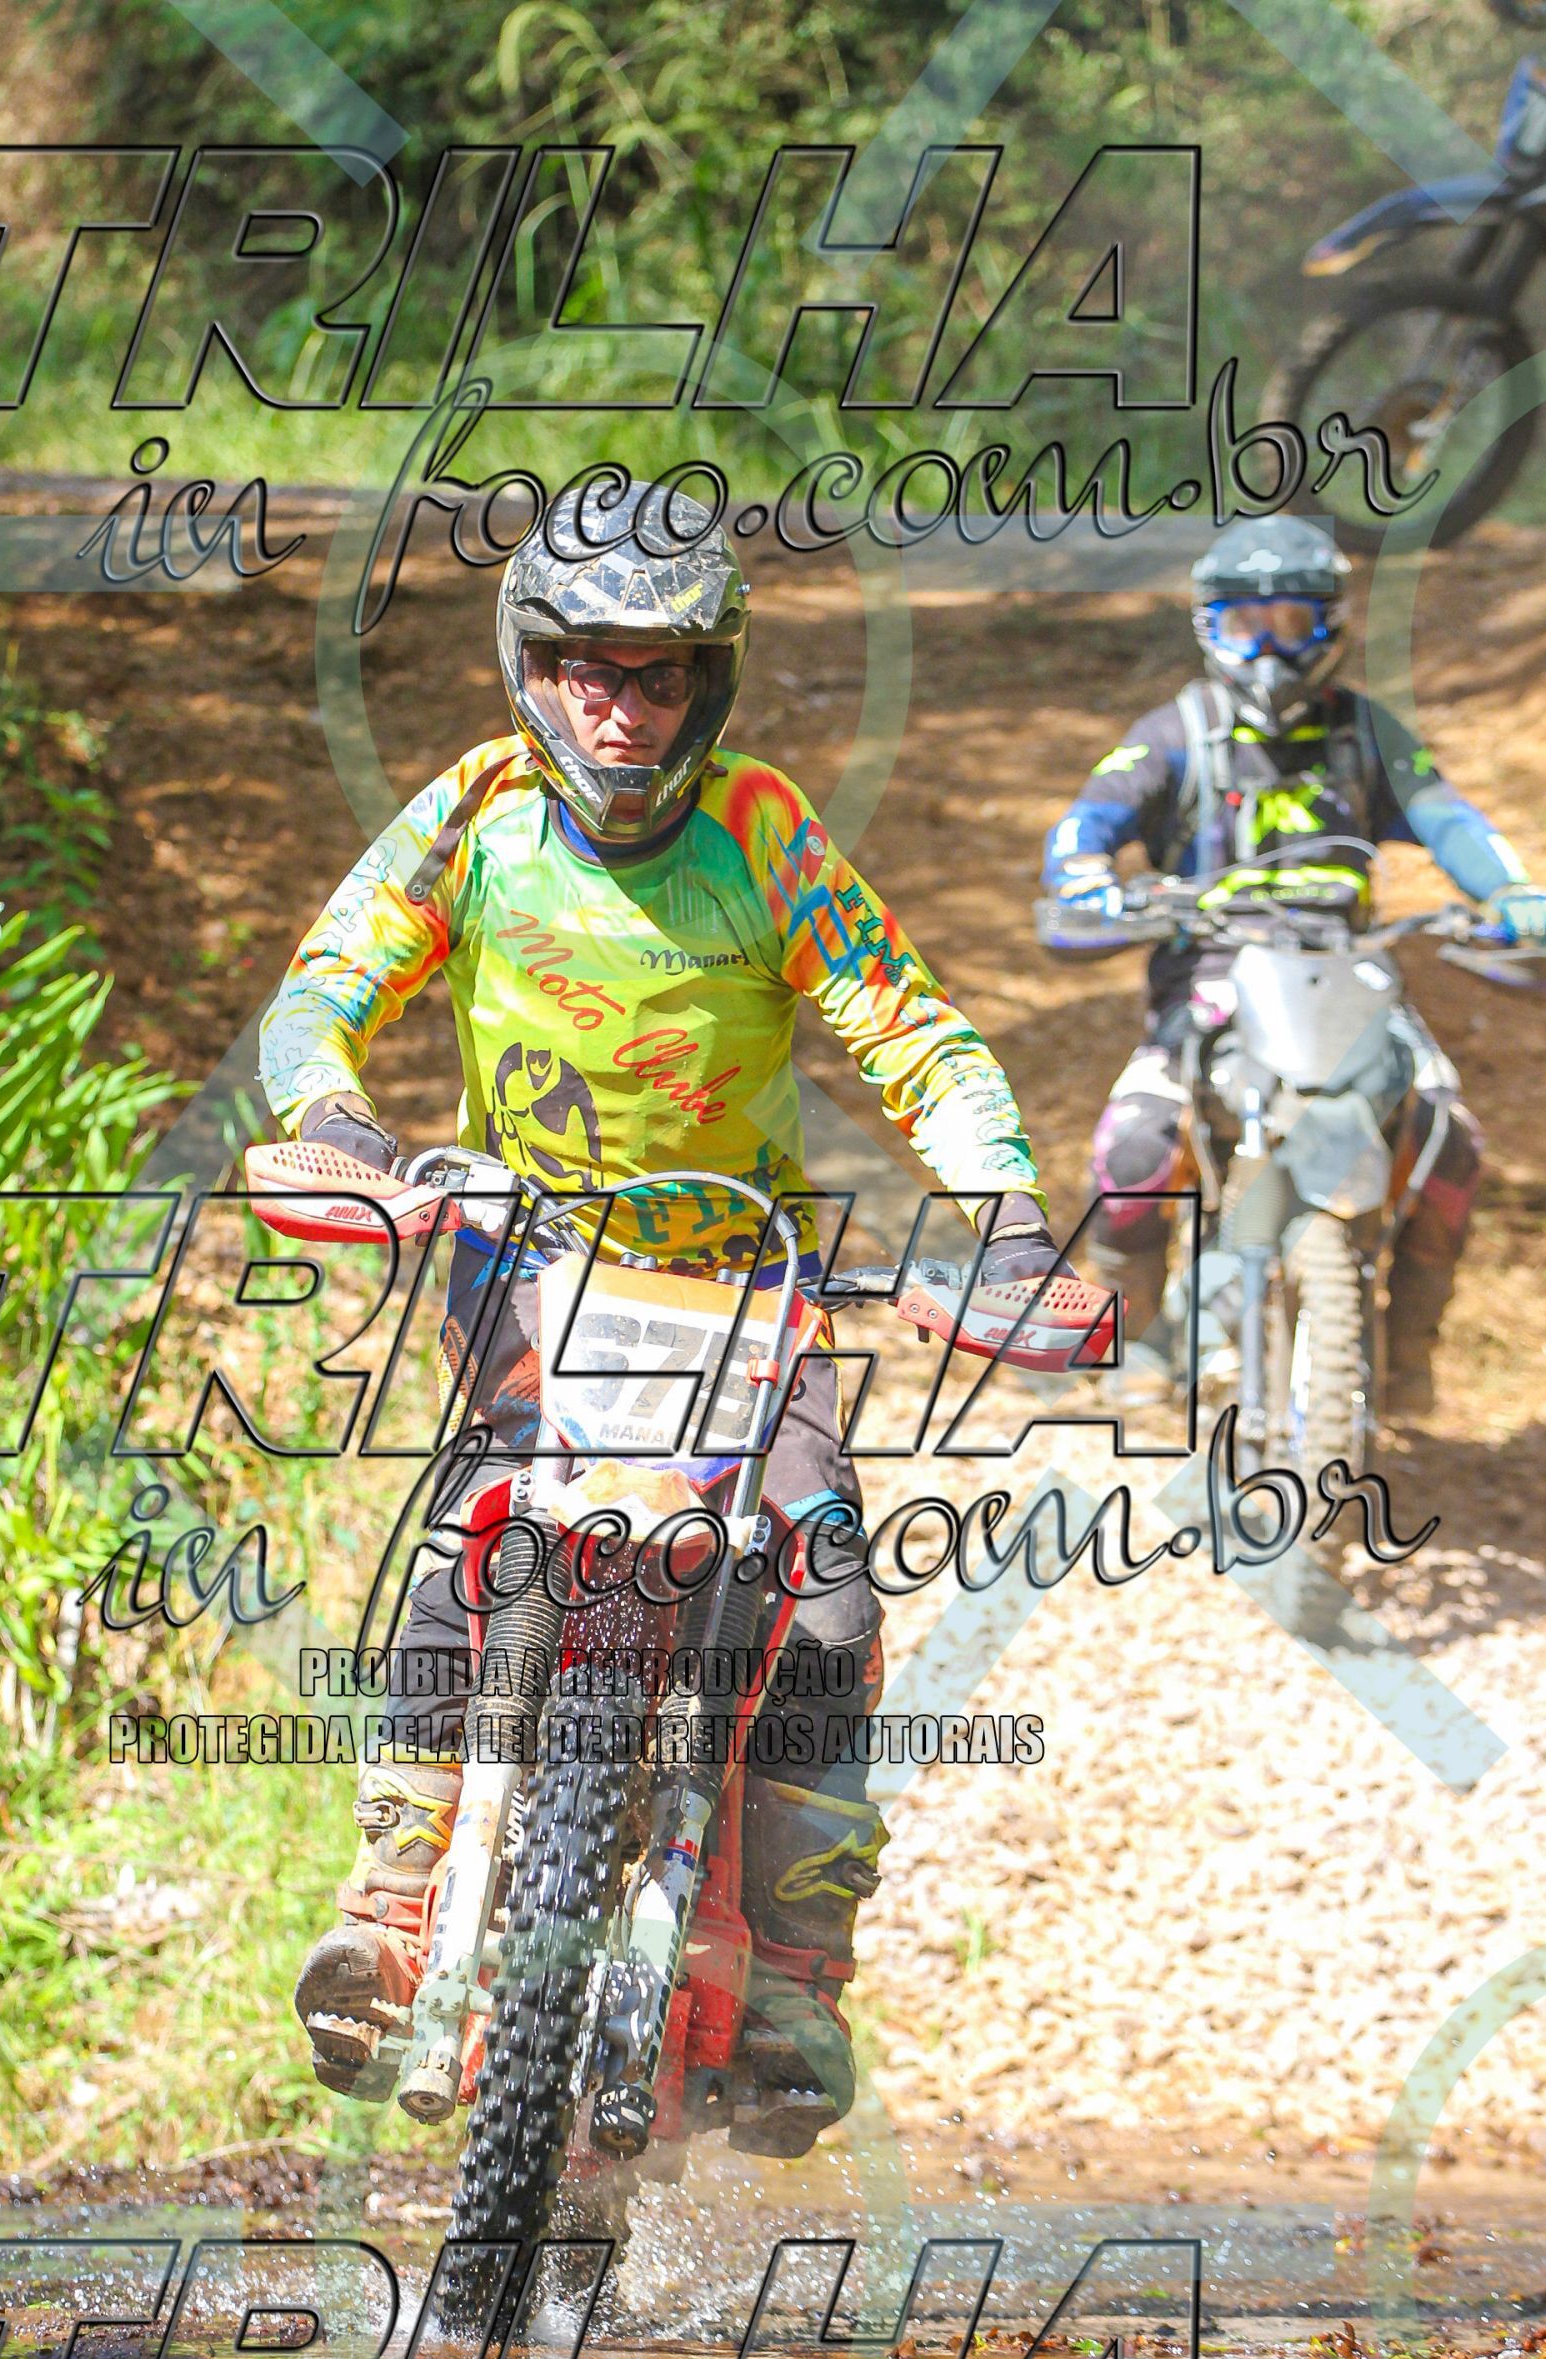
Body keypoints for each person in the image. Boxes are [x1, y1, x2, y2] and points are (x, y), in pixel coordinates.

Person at [259, 479, 1066, 2155]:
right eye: (589, 671)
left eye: (662, 674)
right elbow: (320, 990)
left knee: (827, 1592)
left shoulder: (765, 834)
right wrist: (336, 1120)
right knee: (464, 1546)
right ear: (531, 667)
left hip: (749, 1292)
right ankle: (394, 1902)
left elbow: (918, 1037)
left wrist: (1005, 1219)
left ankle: (796, 1982)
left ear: (713, 681)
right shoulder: (476, 815)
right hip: (529, 1270)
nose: (622, 709)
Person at [1039, 515, 1546, 1413]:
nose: (1269, 648)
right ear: (1210, 627)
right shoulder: (1178, 731)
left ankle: (1409, 1353)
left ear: (1331, 623)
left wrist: (1512, 890)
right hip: (1213, 978)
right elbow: (1086, 823)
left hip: (1351, 973)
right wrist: (1086, 881)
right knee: (1134, 1148)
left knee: (1450, 1141)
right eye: (1246, 624)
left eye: (1291, 622)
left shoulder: (1365, 731)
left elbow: (1449, 817)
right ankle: (1137, 1340)